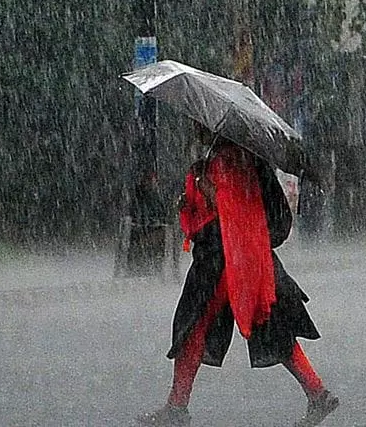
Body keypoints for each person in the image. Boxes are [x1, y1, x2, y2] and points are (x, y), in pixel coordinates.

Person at [138, 125, 338, 427]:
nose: (194, 129)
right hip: (245, 258)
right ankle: (317, 392)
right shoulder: (236, 158)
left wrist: (210, 192)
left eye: (198, 125)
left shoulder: (229, 160)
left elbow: (233, 210)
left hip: (224, 261)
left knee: (193, 327)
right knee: (270, 327)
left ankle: (177, 407)